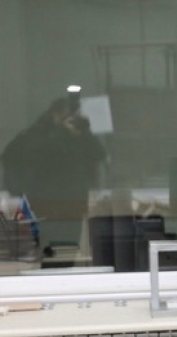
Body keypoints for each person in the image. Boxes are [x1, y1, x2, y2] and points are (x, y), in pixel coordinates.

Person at [1, 97, 106, 248]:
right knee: (48, 250)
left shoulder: (78, 135)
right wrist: (62, 132)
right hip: (45, 202)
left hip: (73, 205)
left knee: (69, 249)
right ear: (57, 114)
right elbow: (36, 156)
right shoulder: (38, 132)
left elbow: (99, 154)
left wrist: (85, 133)